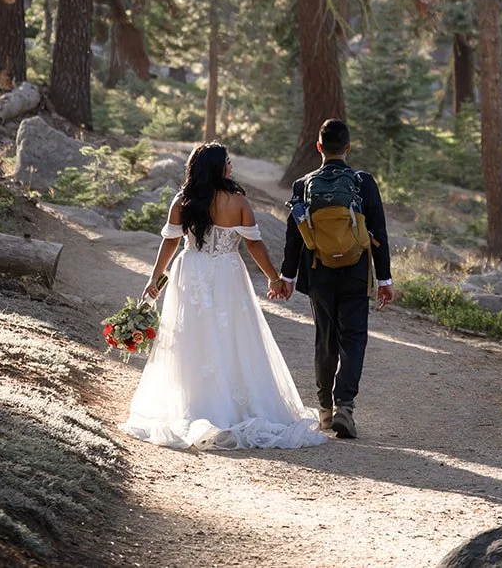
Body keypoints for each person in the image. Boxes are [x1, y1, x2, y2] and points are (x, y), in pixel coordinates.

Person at [122, 142, 327, 451]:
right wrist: (274, 277)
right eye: (227, 162)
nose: (231, 165)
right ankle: (229, 405)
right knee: (233, 336)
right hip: (228, 274)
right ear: (218, 167)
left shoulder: (182, 201)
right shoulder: (239, 202)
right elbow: (255, 245)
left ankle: (197, 402)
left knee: (192, 336)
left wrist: (156, 279)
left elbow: (170, 243)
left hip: (191, 271)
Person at [278, 118, 394, 440]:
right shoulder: (363, 182)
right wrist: (384, 280)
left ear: (319, 147)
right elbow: (379, 232)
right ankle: (346, 405)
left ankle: (325, 410)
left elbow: (294, 236)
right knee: (354, 338)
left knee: (325, 338)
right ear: (348, 148)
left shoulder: (303, 185)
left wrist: (287, 276)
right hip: (356, 271)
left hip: (319, 271)